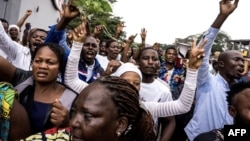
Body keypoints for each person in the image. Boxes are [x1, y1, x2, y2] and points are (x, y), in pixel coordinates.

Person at [22, 76, 156, 141]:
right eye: (73, 111)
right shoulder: (59, 137)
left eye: (88, 116)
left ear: (120, 125)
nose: (73, 122)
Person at [184, 0, 240, 140]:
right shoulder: (207, 82)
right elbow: (203, 50)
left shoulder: (241, 91)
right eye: (236, 60)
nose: (241, 64)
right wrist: (222, 17)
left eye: (242, 61)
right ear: (220, 64)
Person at [0, 43, 78, 134]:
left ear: (60, 68)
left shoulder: (72, 99)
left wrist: (67, 124)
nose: (42, 66)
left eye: (50, 62)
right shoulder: (21, 79)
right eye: (38, 61)